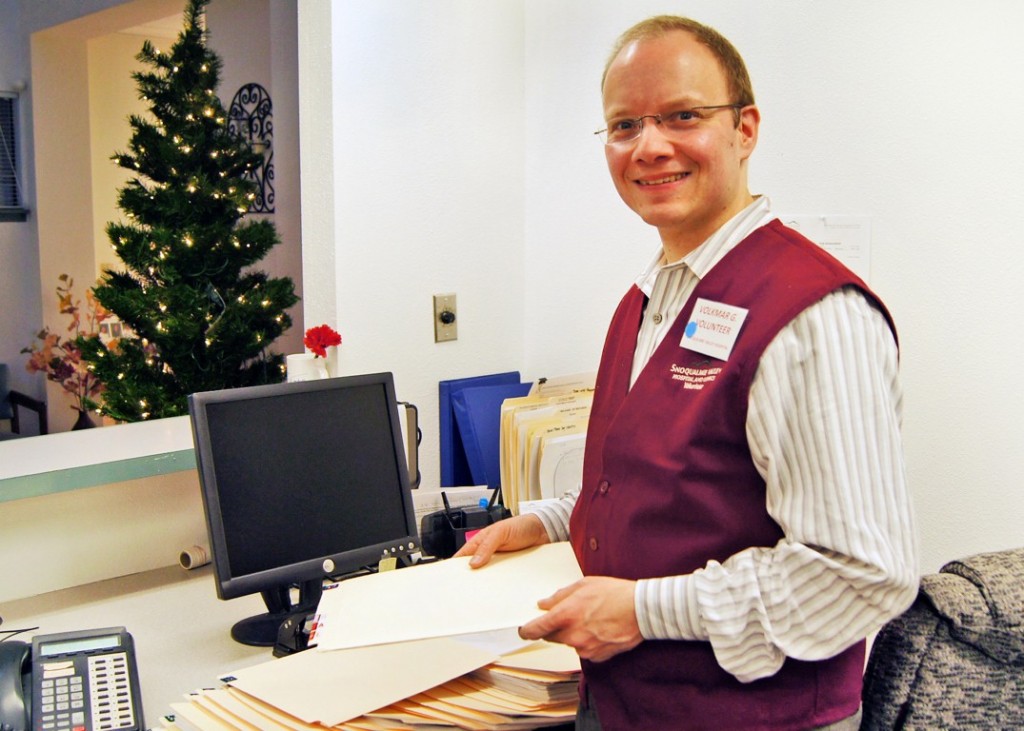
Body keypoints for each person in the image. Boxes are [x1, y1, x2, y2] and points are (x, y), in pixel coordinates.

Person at [454, 14, 919, 731]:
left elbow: (862, 571)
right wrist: (545, 522)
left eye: (682, 116)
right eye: (624, 125)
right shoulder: (648, 299)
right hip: (624, 700)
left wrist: (642, 611)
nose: (650, 146)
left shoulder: (815, 317)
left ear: (745, 129)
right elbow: (662, 481)